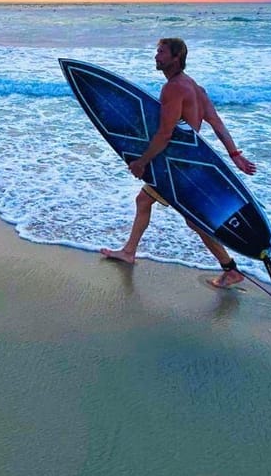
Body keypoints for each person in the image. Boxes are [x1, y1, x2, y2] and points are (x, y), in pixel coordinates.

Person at [100, 37, 257, 289]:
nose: (156, 56)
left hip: (175, 166)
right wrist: (234, 154)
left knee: (194, 219)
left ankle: (230, 269)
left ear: (176, 57)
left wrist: (142, 162)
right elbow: (216, 123)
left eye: (161, 52)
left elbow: (165, 133)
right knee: (148, 202)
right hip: (187, 163)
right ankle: (129, 251)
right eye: (156, 51)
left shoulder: (173, 88)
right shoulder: (195, 87)